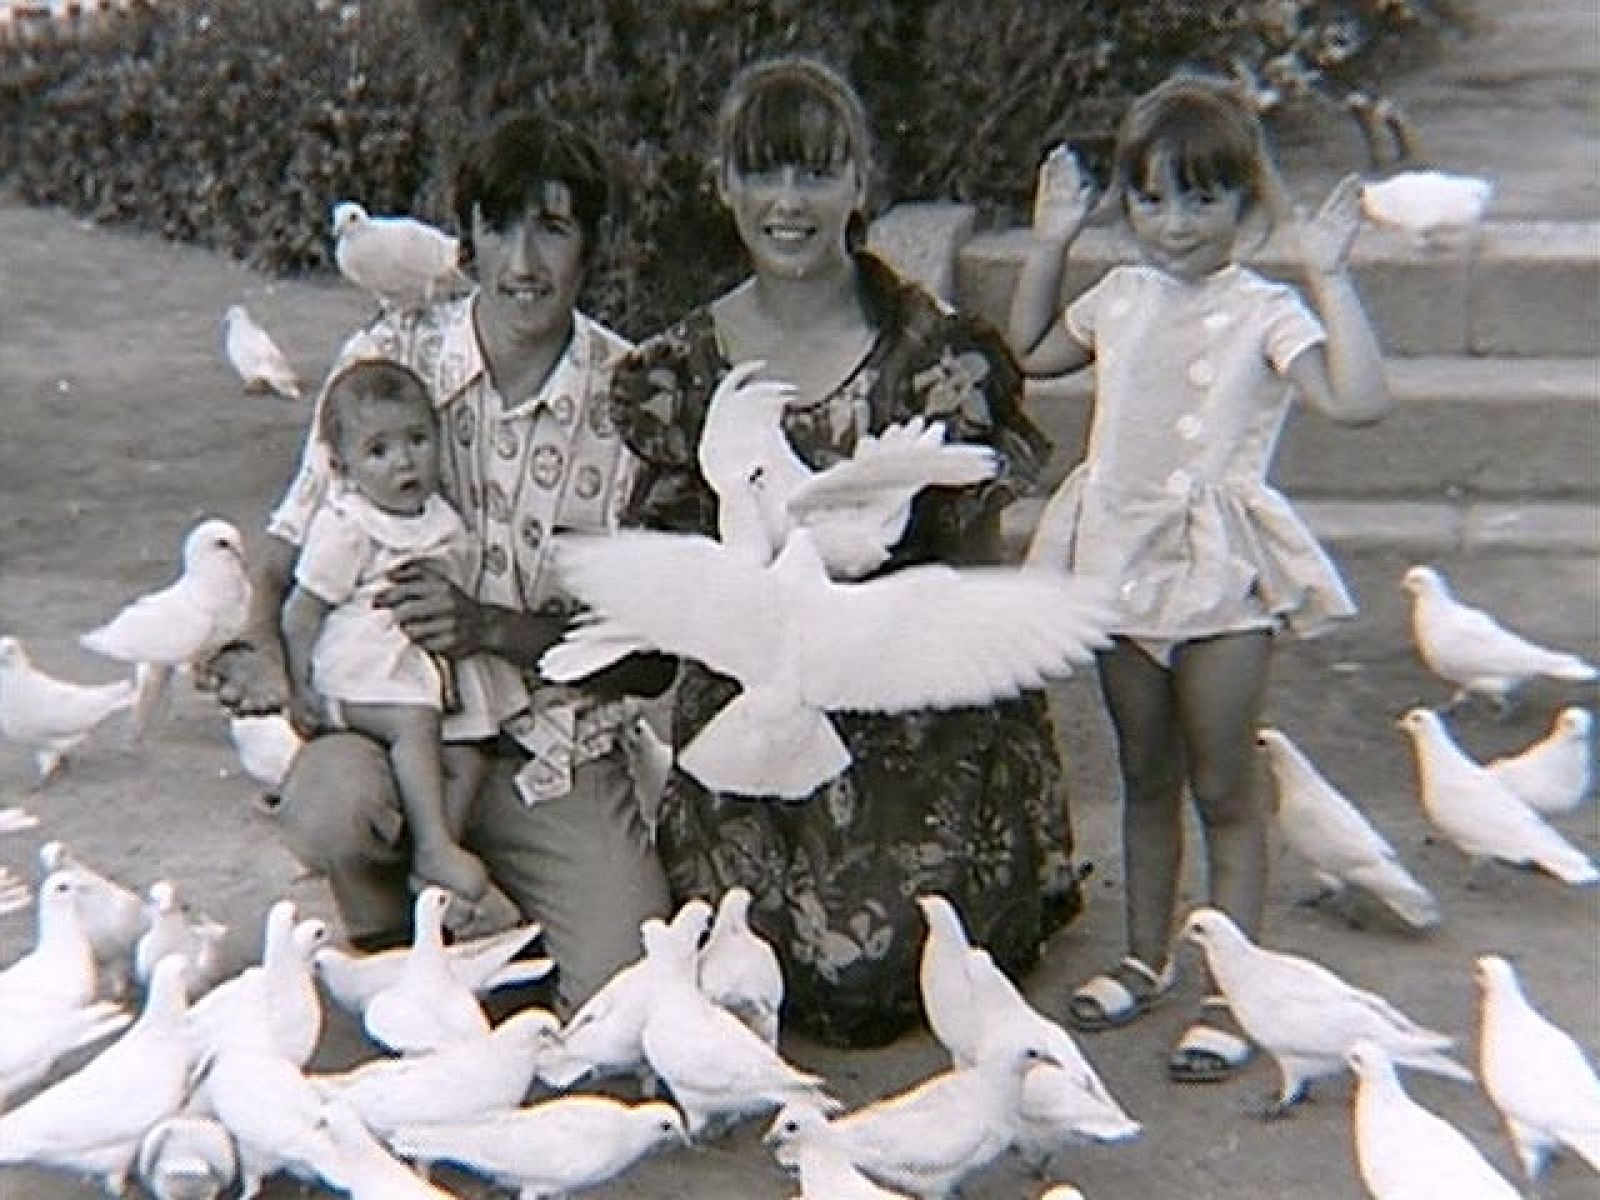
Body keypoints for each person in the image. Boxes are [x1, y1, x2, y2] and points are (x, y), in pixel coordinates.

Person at [607, 56, 1082, 1047]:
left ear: (861, 186)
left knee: (877, 971)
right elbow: (670, 593)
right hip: (764, 692)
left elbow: (978, 573)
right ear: (724, 184)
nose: (789, 203)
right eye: (764, 173)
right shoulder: (678, 370)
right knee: (760, 950)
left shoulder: (936, 356)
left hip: (910, 688)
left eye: (816, 174)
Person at [206, 109, 673, 1012]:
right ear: (469, 239)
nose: (525, 262)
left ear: (591, 248)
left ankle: (499, 962)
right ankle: (399, 968)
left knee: (627, 986)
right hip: (394, 725)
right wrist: (266, 648)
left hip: (551, 742)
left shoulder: (633, 399)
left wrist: (489, 627)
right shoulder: (389, 356)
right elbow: (293, 541)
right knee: (334, 807)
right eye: (501, 228)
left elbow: (649, 656)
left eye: (554, 227)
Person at [1007, 74, 1392, 1080]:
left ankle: (1234, 987)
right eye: (1152, 197)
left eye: (1203, 197)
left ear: (1242, 205)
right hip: (1121, 572)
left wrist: (1327, 275)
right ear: (1127, 202)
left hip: (1220, 585)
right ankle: (1145, 954)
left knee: (1224, 786)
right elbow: (1031, 351)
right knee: (1144, 775)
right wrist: (1051, 241)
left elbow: (1356, 401)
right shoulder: (1121, 296)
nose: (1174, 222)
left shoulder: (1264, 310)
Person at [278, 358, 521, 932]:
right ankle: (431, 846)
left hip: (417, 671)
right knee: (416, 726)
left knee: (469, 749)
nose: (404, 462)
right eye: (378, 451)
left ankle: (435, 859)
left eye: (417, 440)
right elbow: (301, 611)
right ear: (343, 467)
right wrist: (300, 686)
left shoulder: (437, 516)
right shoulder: (349, 525)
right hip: (362, 674)